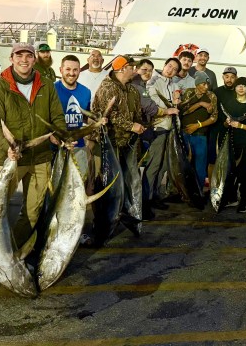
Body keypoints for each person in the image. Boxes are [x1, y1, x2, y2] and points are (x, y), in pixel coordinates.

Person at [0, 42, 66, 297]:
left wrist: (59, 136)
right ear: (11, 58)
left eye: (28, 56)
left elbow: (57, 118)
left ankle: (9, 256)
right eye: (19, 56)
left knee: (31, 213)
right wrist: (6, 147)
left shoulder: (47, 87)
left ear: (34, 60)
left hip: (40, 157)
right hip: (9, 158)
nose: (24, 60)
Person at [89, 55, 145, 245]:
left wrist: (140, 126)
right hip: (108, 143)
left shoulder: (132, 90)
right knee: (105, 186)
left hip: (126, 144)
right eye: (132, 67)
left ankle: (131, 217)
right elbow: (111, 116)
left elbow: (138, 114)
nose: (136, 70)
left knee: (128, 182)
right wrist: (132, 126)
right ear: (122, 69)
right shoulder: (107, 88)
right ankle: (101, 225)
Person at [142, 57, 182, 219]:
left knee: (163, 165)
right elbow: (152, 100)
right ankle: (145, 201)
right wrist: (169, 108)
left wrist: (177, 101)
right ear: (165, 65)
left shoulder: (174, 85)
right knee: (153, 165)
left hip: (170, 128)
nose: (170, 69)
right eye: (169, 66)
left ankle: (155, 195)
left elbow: (177, 102)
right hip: (157, 128)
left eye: (174, 69)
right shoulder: (153, 80)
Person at [223, 77, 246, 213]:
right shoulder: (230, 103)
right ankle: (232, 198)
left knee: (245, 174)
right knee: (231, 172)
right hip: (231, 144)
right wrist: (227, 122)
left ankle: (244, 200)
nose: (241, 88)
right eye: (239, 86)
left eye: (244, 86)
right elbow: (224, 124)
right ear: (235, 88)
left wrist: (241, 125)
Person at [179, 71, 218, 194]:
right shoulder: (189, 93)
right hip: (185, 134)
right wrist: (200, 104)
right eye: (203, 84)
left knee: (200, 165)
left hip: (200, 135)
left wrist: (197, 125)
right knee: (184, 163)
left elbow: (214, 117)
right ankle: (184, 191)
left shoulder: (212, 96)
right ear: (197, 84)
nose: (206, 87)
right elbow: (183, 110)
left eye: (208, 84)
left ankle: (198, 191)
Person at [53, 54, 91, 177]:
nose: (72, 73)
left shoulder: (86, 92)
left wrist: (97, 122)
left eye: (75, 70)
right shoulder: (52, 89)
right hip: (56, 147)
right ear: (61, 70)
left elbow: (86, 116)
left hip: (78, 146)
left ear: (80, 70)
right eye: (68, 69)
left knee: (80, 183)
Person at [209, 66, 238, 184]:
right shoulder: (216, 92)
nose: (229, 79)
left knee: (230, 161)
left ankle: (227, 188)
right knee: (212, 160)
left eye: (232, 77)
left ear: (236, 78)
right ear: (223, 77)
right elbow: (212, 111)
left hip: (232, 131)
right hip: (216, 130)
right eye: (227, 77)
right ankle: (212, 188)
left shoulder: (240, 91)